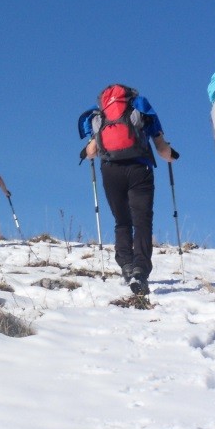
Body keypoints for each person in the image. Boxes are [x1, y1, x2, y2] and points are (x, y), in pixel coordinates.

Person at [81, 85, 176, 295]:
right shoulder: (140, 106)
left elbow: (91, 151)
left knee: (122, 220)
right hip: (139, 168)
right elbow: (161, 147)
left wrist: (88, 152)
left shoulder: (99, 114)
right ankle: (140, 271)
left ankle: (125, 264)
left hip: (110, 171)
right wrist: (172, 155)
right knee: (142, 221)